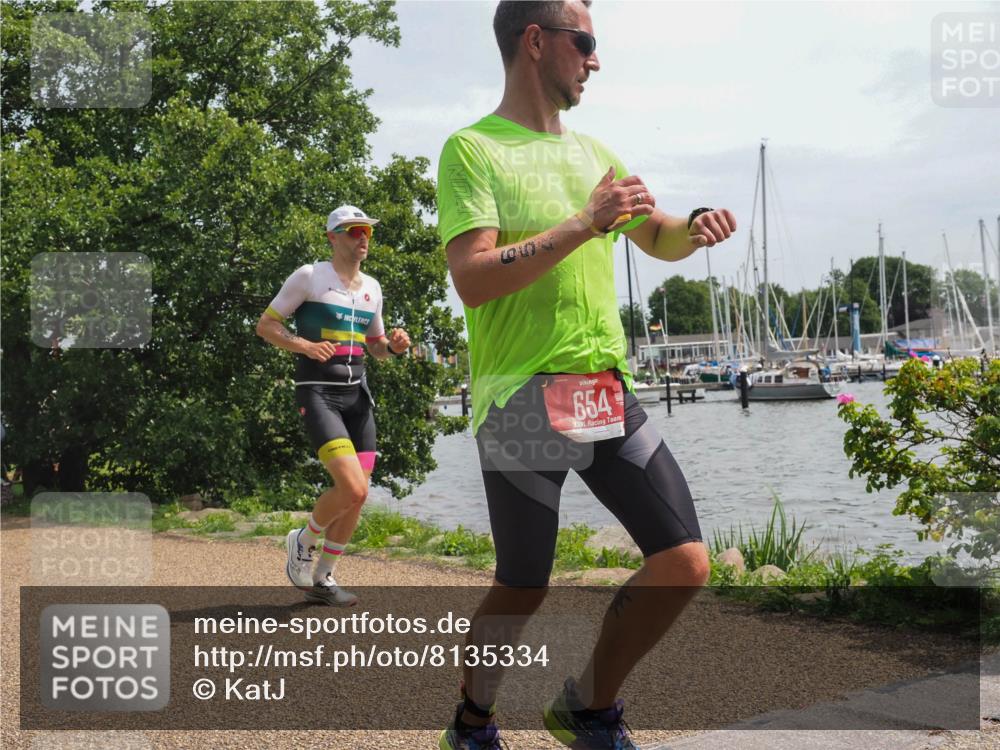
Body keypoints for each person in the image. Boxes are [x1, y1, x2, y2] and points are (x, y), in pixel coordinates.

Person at [435, 2, 736, 748]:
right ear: (537, 41)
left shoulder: (596, 152)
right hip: (522, 398)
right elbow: (473, 278)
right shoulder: (473, 150)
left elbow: (655, 233)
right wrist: (583, 222)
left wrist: (694, 226)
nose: (595, 60)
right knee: (523, 583)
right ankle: (472, 723)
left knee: (684, 562)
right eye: (586, 42)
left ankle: (588, 707)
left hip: (602, 387)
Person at [255, 205, 410, 606]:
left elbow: (375, 347)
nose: (363, 238)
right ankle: (303, 540)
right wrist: (305, 346)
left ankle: (323, 577)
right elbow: (266, 325)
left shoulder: (372, 287)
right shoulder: (310, 276)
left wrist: (393, 347)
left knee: (359, 494)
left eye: (367, 232)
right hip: (319, 394)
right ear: (332, 237)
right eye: (354, 231)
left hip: (358, 398)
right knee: (351, 486)